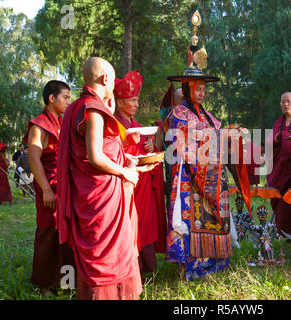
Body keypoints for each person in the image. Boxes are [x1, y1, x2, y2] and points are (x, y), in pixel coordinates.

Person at [57, 57, 154, 300]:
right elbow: (95, 156)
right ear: (106, 79)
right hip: (101, 199)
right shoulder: (94, 109)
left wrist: (125, 159)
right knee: (107, 254)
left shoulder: (76, 107)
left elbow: (102, 149)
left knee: (103, 250)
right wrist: (124, 172)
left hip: (94, 193)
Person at [164, 37, 251, 281]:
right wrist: (224, 134)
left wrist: (233, 134)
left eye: (203, 89)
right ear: (188, 89)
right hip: (188, 180)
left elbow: (215, 133)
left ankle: (216, 263)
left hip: (214, 180)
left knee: (215, 218)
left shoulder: (209, 116)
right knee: (191, 221)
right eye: (197, 89)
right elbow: (190, 139)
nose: (201, 93)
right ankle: (191, 267)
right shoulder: (179, 114)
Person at [114, 70, 167, 275]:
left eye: (137, 100)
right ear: (119, 103)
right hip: (125, 183)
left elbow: (146, 149)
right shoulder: (113, 124)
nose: (136, 104)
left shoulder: (137, 125)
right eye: (132, 100)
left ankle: (146, 266)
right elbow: (110, 151)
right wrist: (126, 142)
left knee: (144, 223)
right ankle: (128, 266)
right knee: (127, 225)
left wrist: (151, 147)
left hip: (143, 182)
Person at [24, 80, 75, 293]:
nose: (68, 101)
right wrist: (45, 188)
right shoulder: (39, 124)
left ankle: (67, 283)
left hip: (64, 186)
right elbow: (34, 159)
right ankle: (45, 284)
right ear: (52, 98)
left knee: (66, 234)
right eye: (65, 97)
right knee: (48, 233)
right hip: (49, 186)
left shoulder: (63, 122)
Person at [267, 92, 291, 236]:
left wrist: (284, 138)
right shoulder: (278, 122)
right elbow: (270, 143)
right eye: (282, 102)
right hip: (279, 166)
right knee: (279, 198)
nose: (285, 104)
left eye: (288, 101)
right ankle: (282, 231)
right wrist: (277, 139)